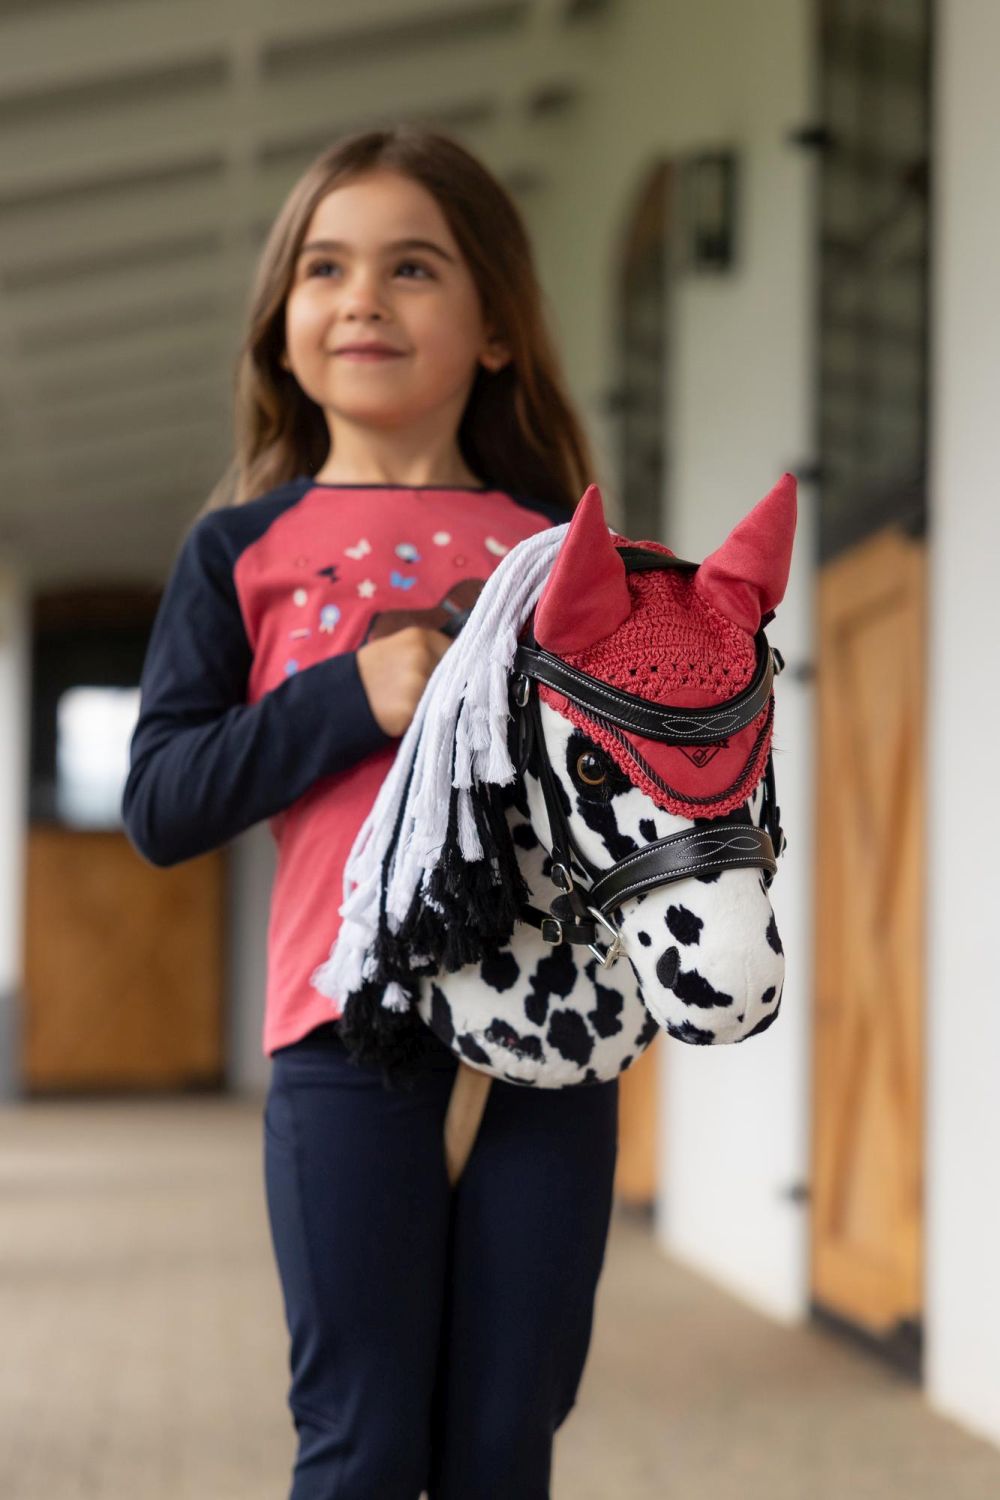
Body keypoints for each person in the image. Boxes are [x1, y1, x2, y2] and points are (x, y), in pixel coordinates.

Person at [122, 124, 619, 1500]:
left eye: (413, 268)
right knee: (362, 1445)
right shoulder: (237, 549)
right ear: (283, 328)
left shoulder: (563, 551)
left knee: (502, 1443)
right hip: (347, 1034)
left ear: (498, 327)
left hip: (548, 1045)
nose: (363, 300)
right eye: (326, 269)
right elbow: (162, 801)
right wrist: (353, 697)